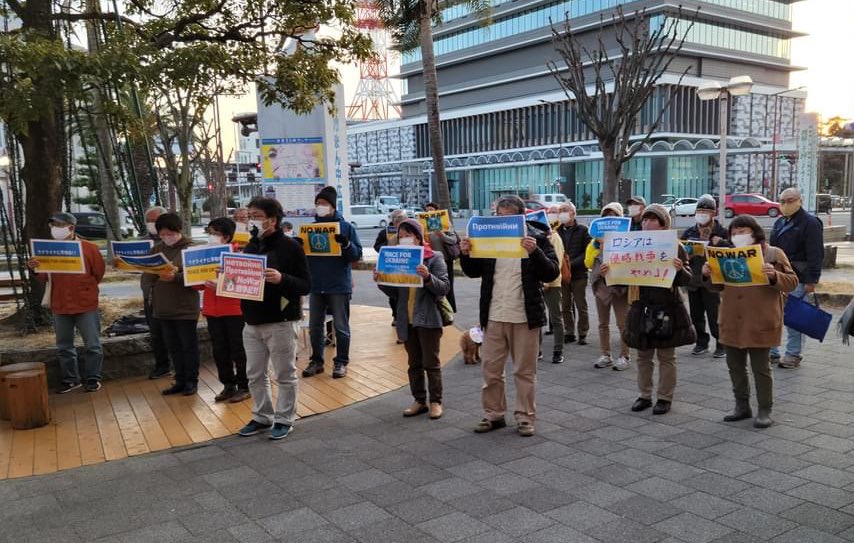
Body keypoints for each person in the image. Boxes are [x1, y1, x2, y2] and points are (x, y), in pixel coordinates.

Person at [460, 195, 559, 437]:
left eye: (507, 216)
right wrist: (465, 253)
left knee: (524, 371)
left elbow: (551, 273)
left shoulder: (538, 238)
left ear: (520, 217)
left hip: (525, 316)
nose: (501, 220)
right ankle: (493, 414)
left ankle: (525, 417)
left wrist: (534, 252)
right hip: (494, 315)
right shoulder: (489, 240)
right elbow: (472, 272)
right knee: (491, 369)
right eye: (498, 215)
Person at [702, 215, 798, 429]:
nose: (738, 236)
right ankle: (741, 405)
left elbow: (792, 282)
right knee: (735, 366)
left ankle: (765, 408)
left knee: (760, 367)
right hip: (731, 319)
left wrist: (774, 275)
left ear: (755, 233)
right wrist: (707, 275)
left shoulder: (773, 253)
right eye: (734, 233)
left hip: (760, 320)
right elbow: (716, 287)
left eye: (743, 232)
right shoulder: (726, 255)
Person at [604, 204, 692, 415]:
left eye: (652, 220)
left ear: (663, 225)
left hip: (667, 307)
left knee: (666, 356)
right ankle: (644, 395)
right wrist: (609, 273)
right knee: (643, 356)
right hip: (640, 306)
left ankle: (664, 397)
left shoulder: (675, 246)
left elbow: (688, 280)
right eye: (644, 219)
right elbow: (622, 279)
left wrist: (680, 269)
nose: (646, 223)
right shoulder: (632, 244)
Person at [237, 197, 311, 439]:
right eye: (250, 216)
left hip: (281, 320)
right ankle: (262, 416)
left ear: (272, 219)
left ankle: (284, 418)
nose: (252, 220)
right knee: (255, 374)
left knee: (284, 373)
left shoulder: (291, 247)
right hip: (252, 320)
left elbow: (305, 284)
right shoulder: (251, 246)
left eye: (257, 216)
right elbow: (244, 281)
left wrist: (282, 279)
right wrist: (226, 279)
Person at [375, 219, 450, 419]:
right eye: (401, 236)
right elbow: (394, 293)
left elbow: (444, 288)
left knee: (431, 363)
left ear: (418, 237)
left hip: (428, 318)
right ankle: (419, 400)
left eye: (408, 235)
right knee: (414, 363)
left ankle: (436, 401)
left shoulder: (434, 258)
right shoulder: (397, 259)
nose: (404, 239)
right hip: (406, 319)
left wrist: (428, 277)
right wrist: (381, 280)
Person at [28, 212, 106, 393]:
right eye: (53, 226)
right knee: (64, 345)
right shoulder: (47, 249)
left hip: (85, 304)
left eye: (59, 225)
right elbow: (43, 276)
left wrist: (85, 288)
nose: (55, 229)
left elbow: (98, 273)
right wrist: (33, 268)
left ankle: (93, 377)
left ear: (71, 228)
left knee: (92, 344)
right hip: (60, 303)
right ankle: (71, 379)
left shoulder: (89, 248)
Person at [302, 186, 363, 379]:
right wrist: (299, 246)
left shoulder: (346, 227)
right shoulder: (310, 228)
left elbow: (356, 255)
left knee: (341, 326)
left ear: (333, 206)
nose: (320, 206)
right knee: (315, 326)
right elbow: (305, 258)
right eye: (318, 204)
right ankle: (316, 361)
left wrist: (346, 244)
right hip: (316, 285)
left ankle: (341, 362)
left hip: (338, 284)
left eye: (324, 203)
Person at [769, 187, 824, 369]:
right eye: (782, 201)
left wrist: (811, 280)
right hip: (778, 276)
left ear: (800, 201)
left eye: (790, 200)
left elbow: (816, 254)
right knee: (774, 315)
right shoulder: (779, 222)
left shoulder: (810, 223)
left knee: (794, 318)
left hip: (799, 277)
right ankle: (772, 351)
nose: (785, 204)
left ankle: (793, 354)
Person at [150, 213, 201, 396]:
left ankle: (191, 381)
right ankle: (179, 379)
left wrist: (176, 276)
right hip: (163, 306)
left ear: (179, 230)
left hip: (185, 306)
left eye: (170, 233)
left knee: (188, 346)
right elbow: (148, 274)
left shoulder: (190, 248)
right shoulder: (157, 249)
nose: (166, 237)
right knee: (173, 346)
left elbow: (197, 274)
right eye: (162, 234)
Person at [200, 218, 249, 403]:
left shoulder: (238, 255)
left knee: (239, 350)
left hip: (234, 309)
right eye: (210, 233)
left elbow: (245, 282)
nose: (211, 236)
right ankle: (228, 384)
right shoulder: (204, 254)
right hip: (212, 310)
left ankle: (244, 385)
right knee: (219, 350)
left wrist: (221, 283)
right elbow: (196, 284)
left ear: (227, 237)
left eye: (215, 233)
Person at [680, 194, 729, 358]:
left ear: (714, 213)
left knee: (715, 315)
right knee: (696, 315)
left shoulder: (721, 232)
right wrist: (687, 254)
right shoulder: (689, 232)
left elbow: (733, 250)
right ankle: (701, 342)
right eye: (699, 211)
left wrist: (720, 243)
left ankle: (721, 344)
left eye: (706, 211)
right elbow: (680, 251)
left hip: (713, 281)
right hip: (694, 280)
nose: (702, 214)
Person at [585, 202, 631, 371]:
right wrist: (600, 249)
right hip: (601, 287)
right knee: (602, 323)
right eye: (606, 216)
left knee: (623, 323)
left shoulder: (627, 240)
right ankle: (606, 354)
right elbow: (588, 262)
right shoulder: (594, 243)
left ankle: (625, 355)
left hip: (620, 287)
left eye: (613, 216)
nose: (609, 220)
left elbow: (631, 263)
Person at [141, 206, 172, 379]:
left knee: (172, 334)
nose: (152, 224)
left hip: (169, 295)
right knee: (156, 333)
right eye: (149, 221)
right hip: (150, 295)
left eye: (155, 220)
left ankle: (179, 367)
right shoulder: (143, 242)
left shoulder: (173, 242)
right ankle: (162, 365)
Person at [556, 201, 591, 345]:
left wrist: (571, 264)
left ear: (573, 213)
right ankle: (569, 332)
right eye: (561, 210)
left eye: (566, 210)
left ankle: (583, 333)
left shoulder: (583, 230)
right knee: (565, 305)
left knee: (580, 305)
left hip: (579, 274)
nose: (563, 213)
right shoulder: (556, 231)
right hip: (562, 275)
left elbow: (587, 251)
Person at [423, 202, 461, 312]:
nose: (429, 212)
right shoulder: (423, 224)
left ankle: (450, 310)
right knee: (433, 286)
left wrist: (442, 235)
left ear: (437, 211)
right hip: (430, 261)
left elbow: (453, 240)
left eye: (431, 210)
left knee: (447, 286)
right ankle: (436, 310)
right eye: (427, 210)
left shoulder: (445, 223)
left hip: (445, 260)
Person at [374, 209, 408, 325]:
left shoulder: (410, 231)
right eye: (397, 219)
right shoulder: (385, 232)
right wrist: (389, 244)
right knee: (394, 294)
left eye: (402, 219)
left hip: (406, 265)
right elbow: (377, 246)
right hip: (392, 265)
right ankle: (396, 316)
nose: (399, 222)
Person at [541, 205, 566, 364]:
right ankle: (537, 350)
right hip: (538, 282)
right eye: (548, 213)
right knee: (538, 317)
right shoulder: (537, 237)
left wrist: (547, 281)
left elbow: (557, 261)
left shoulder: (555, 237)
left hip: (553, 283)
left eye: (553, 213)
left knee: (556, 318)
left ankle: (558, 351)